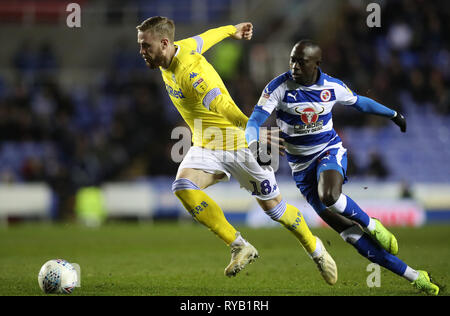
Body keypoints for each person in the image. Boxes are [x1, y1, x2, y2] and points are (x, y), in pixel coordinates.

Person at [136, 17, 337, 283]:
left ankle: (315, 248)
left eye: (145, 46)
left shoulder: (191, 72)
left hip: (240, 145)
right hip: (206, 144)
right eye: (140, 45)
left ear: (164, 43)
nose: (141, 52)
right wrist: (232, 30)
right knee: (183, 186)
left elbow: (223, 107)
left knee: (275, 211)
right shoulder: (178, 48)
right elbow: (205, 37)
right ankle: (239, 245)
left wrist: (254, 128)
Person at [245, 40, 439, 295]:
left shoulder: (332, 86)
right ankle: (415, 276)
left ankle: (372, 224)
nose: (294, 66)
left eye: (301, 61)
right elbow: (254, 121)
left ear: (317, 64)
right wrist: (254, 144)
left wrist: (393, 114)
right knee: (351, 237)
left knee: (330, 197)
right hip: (301, 169)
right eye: (292, 60)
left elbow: (359, 103)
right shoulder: (278, 88)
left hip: (328, 151)